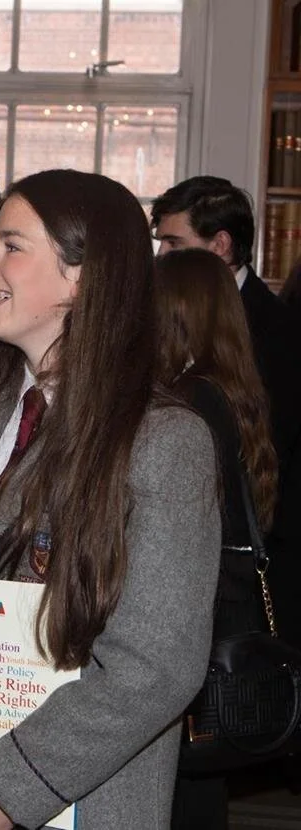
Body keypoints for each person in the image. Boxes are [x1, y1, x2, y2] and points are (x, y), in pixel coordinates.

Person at [0, 169, 221, 829]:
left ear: (82, 277)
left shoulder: (165, 444)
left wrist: (16, 782)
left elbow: (156, 665)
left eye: (11, 245)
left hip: (72, 801)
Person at [153, 248, 279, 830]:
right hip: (228, 604)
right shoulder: (235, 390)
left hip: (195, 609)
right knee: (202, 773)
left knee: (181, 778)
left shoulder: (190, 400)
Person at [151, 177, 301, 646]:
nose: (161, 257)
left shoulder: (283, 334)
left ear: (220, 245)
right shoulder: (179, 331)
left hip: (261, 575)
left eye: (173, 243)